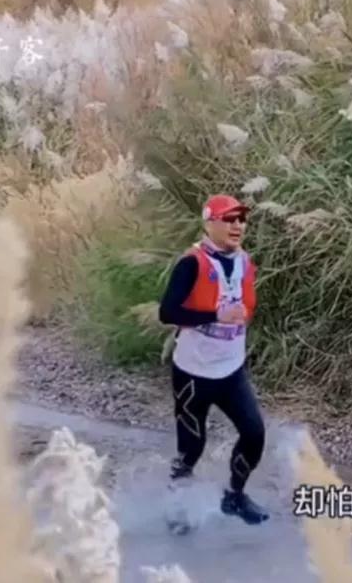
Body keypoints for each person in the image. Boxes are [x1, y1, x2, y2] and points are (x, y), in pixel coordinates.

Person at [158, 193, 269, 529]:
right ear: (209, 223)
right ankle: (177, 507)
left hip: (231, 371)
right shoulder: (191, 263)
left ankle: (234, 496)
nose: (237, 226)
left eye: (241, 219)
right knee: (192, 448)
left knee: (254, 433)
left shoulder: (245, 261)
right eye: (229, 219)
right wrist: (216, 315)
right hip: (193, 373)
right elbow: (168, 313)